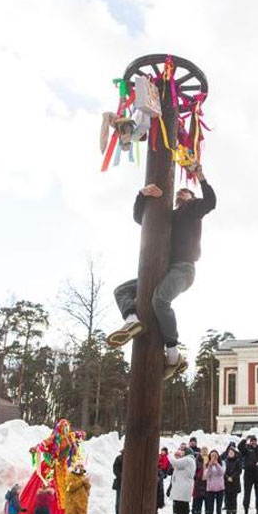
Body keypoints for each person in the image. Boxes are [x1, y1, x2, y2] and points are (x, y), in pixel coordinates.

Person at [107, 162, 216, 380]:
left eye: (186, 191)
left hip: (184, 270)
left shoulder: (193, 210)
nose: (181, 193)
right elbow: (141, 218)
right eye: (179, 191)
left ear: (192, 197)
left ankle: (173, 353)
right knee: (121, 290)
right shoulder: (170, 215)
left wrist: (200, 176)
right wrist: (142, 194)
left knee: (160, 301)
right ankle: (131, 321)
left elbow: (211, 202)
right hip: (160, 270)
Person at [238, 435, 258, 514]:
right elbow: (239, 447)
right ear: (250, 441)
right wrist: (245, 440)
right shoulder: (246, 448)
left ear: (257, 441)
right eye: (252, 441)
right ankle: (246, 512)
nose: (253, 442)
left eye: (255, 441)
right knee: (247, 494)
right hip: (248, 474)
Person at [170, 445, 197, 514]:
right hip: (181, 490)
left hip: (182, 490)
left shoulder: (188, 459)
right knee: (180, 510)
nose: (181, 454)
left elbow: (174, 462)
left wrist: (170, 454)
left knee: (182, 511)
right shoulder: (188, 460)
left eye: (183, 453)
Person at [204, 450, 225, 514]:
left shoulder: (221, 463)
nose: (213, 457)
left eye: (215, 455)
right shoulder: (207, 464)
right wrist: (210, 465)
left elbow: (221, 473)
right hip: (210, 489)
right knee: (210, 506)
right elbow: (206, 475)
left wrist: (216, 464)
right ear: (210, 456)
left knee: (219, 506)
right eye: (212, 455)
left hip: (220, 488)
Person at [224, 446, 243, 514]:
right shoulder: (225, 461)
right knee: (227, 501)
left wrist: (232, 477)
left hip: (235, 483)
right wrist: (227, 477)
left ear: (234, 453)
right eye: (229, 453)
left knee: (234, 501)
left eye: (232, 452)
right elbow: (223, 471)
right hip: (227, 483)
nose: (231, 454)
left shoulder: (238, 461)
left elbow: (239, 471)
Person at [192, 446, 209, 514]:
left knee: (208, 503)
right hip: (199, 483)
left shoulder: (209, 459)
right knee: (198, 502)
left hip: (207, 484)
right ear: (200, 451)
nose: (204, 452)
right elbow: (194, 470)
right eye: (203, 450)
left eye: (206, 450)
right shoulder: (197, 459)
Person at [112, 450, 123, 514]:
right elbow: (115, 470)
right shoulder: (119, 458)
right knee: (119, 503)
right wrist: (123, 476)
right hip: (120, 484)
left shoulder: (134, 458)